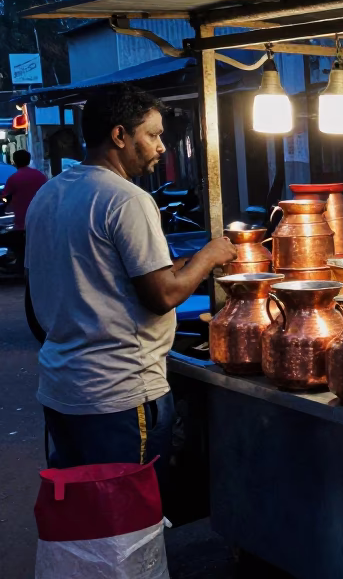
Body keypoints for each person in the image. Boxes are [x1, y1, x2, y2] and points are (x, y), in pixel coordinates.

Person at [26, 87, 236, 486]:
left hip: (61, 388)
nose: (161, 147)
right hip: (119, 395)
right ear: (120, 136)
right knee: (127, 525)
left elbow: (91, 277)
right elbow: (163, 296)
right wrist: (208, 257)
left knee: (84, 520)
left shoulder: (49, 194)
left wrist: (184, 266)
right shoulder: (126, 199)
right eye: (153, 135)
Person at [0, 150, 47, 269]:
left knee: (16, 242)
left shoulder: (14, 178)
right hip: (41, 218)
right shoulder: (39, 175)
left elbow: (5, 196)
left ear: (15, 161)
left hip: (21, 220)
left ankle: (20, 264)